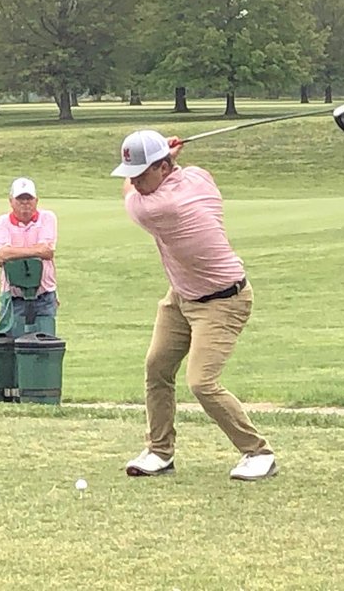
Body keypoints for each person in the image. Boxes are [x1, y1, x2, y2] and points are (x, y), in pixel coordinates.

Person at [111, 130, 277, 481]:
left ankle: (258, 452)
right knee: (157, 368)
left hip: (223, 301)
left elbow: (127, 195)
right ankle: (159, 451)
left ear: (163, 167)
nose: (135, 182)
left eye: (142, 174)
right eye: (131, 174)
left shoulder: (157, 207)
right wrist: (171, 157)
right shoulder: (199, 177)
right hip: (181, 295)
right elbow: (193, 174)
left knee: (202, 382)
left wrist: (167, 154)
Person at [0, 177, 58, 326]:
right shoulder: (2, 222)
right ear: (11, 201)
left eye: (29, 199)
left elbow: (46, 251)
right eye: (20, 200)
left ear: (36, 200)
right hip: (13, 297)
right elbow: (3, 253)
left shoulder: (47, 218)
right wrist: (35, 251)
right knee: (10, 345)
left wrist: (9, 254)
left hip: (44, 295)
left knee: (45, 343)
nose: (25, 204)